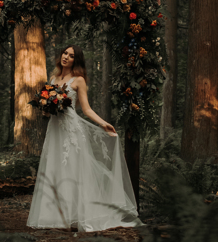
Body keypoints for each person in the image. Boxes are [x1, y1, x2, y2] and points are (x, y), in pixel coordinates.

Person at [27, 44, 142, 232]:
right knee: (54, 167)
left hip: (71, 129)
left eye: (71, 56)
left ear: (76, 60)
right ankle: (55, 217)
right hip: (55, 128)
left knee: (72, 168)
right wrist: (46, 108)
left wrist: (103, 123)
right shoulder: (53, 78)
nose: (66, 57)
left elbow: (86, 109)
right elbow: (49, 108)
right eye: (65, 53)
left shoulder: (79, 80)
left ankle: (77, 215)